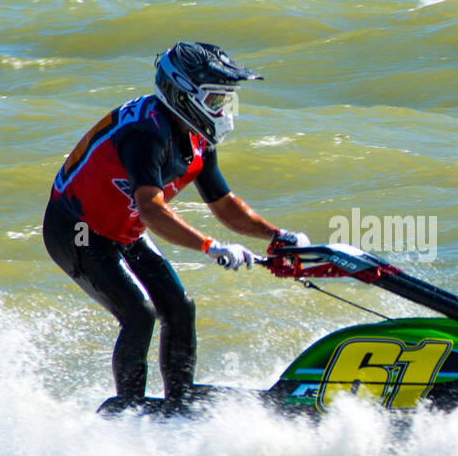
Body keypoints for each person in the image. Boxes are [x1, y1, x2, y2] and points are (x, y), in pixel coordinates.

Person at [42, 41, 308, 410]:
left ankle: (179, 404)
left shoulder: (198, 135)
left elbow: (225, 205)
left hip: (124, 228)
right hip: (75, 230)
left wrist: (278, 236)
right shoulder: (145, 136)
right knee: (139, 314)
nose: (223, 110)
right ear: (183, 95)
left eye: (226, 100)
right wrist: (210, 247)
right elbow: (152, 210)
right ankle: (128, 412)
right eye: (216, 100)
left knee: (180, 307)